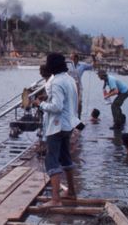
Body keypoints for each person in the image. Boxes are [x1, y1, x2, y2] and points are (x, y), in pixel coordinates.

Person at [33, 53, 80, 208]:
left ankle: (55, 199)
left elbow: (57, 106)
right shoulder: (70, 79)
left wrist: (40, 104)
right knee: (66, 158)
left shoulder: (56, 82)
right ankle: (72, 192)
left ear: (52, 66)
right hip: (69, 125)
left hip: (57, 126)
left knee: (51, 160)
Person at [67, 53, 93, 118]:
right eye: (70, 58)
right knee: (69, 102)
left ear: (76, 58)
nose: (70, 59)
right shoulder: (68, 65)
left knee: (79, 102)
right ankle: (70, 116)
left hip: (78, 86)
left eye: (72, 58)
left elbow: (92, 66)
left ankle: (79, 117)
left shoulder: (82, 65)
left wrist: (94, 59)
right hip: (69, 85)